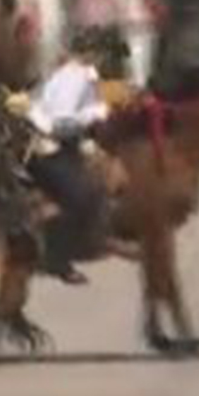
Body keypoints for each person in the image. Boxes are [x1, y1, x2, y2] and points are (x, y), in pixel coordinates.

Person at [24, 26, 122, 285]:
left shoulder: (80, 76)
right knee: (81, 195)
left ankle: (92, 240)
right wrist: (95, 115)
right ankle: (56, 257)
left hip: (62, 144)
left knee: (102, 176)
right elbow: (59, 124)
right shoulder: (72, 77)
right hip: (45, 148)